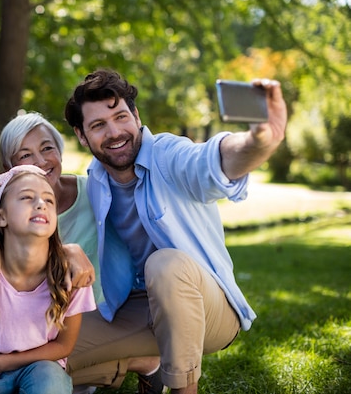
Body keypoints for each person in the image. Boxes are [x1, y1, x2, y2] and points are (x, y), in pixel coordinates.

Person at [63, 69, 288, 394]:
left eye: (121, 117)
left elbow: (214, 159)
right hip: (138, 307)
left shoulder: (168, 156)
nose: (114, 132)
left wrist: (258, 141)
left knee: (165, 264)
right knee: (45, 353)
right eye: (98, 125)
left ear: (136, 116)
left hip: (208, 309)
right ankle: (147, 363)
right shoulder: (96, 177)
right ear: (82, 135)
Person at [0, 112, 164, 394]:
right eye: (25, 155)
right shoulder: (9, 214)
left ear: (60, 150)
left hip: (108, 313)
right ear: (10, 166)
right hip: (47, 323)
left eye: (47, 148)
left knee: (20, 372)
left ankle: (137, 360)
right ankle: (140, 361)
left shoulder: (95, 191)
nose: (41, 161)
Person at [0, 165, 96, 393]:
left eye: (49, 200)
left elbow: (64, 345)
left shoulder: (70, 275)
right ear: (1, 217)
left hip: (43, 367)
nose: (41, 204)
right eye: (27, 197)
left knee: (49, 381)